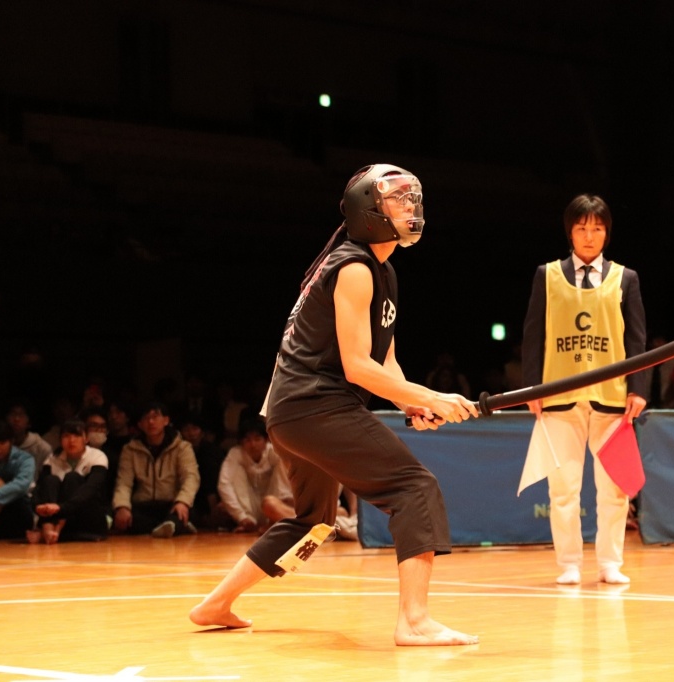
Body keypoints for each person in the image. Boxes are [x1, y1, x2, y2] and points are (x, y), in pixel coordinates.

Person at [189, 163, 479, 646]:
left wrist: (413, 404)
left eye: (413, 198)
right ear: (369, 209)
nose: (411, 207)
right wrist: (431, 396)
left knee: (314, 520)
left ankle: (215, 604)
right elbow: (358, 368)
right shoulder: (354, 267)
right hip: (314, 406)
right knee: (413, 487)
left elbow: (384, 360)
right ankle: (414, 621)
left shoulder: (381, 272)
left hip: (289, 413)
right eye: (398, 198)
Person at [521, 193, 647, 586]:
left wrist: (638, 388)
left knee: (613, 489)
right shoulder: (548, 275)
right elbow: (532, 336)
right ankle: (569, 564)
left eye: (597, 228)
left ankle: (610, 562)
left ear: (606, 233)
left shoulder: (625, 278)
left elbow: (637, 341)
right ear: (570, 233)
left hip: (612, 396)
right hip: (559, 396)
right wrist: (532, 387)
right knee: (563, 489)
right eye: (581, 228)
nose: (589, 236)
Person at [112, 401, 201, 538]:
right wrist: (122, 506)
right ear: (140, 424)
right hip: (144, 505)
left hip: (172, 503)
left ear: (166, 420)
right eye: (146, 418)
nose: (151, 422)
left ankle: (173, 524)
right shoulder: (130, 449)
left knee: (185, 513)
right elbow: (124, 482)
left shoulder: (182, 447)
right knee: (127, 519)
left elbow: (191, 477)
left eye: (155, 416)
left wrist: (182, 502)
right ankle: (173, 527)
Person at [31, 418, 109, 543]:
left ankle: (53, 530)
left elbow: (90, 489)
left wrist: (60, 508)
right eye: (66, 436)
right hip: (58, 518)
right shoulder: (52, 459)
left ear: (86, 438)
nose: (71, 440)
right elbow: (40, 488)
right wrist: (38, 507)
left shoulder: (97, 456)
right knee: (51, 480)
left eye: (77, 435)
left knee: (72, 478)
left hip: (88, 520)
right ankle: (49, 528)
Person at [217, 419, 293, 534]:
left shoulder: (274, 451)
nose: (253, 445)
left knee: (283, 461)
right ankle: (251, 522)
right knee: (235, 473)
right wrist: (241, 517)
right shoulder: (236, 454)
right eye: (248, 440)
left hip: (275, 502)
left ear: (266, 440)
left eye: (257, 439)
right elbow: (224, 484)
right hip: (248, 509)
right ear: (241, 442)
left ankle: (274, 521)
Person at [0, 420, 35, 540]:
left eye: (2, 443)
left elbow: (21, 486)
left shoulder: (25, 459)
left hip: (17, 512)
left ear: (11, 442)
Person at [5, 401, 54, 475]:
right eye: (13, 414)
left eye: (21, 415)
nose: (16, 419)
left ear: (29, 422)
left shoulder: (42, 448)